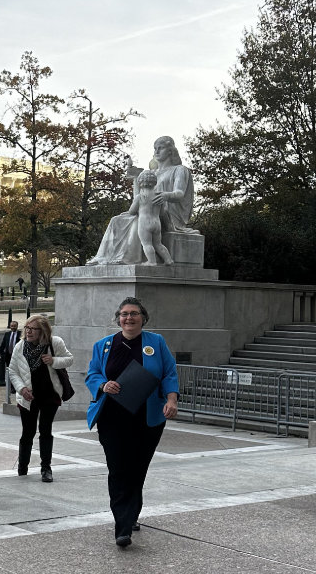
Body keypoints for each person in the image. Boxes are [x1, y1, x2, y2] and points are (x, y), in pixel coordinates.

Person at [85, 297, 179, 547]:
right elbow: (92, 374)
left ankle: (130, 513)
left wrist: (171, 399)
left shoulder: (156, 343)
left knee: (137, 469)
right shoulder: (103, 346)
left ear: (143, 318)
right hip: (112, 417)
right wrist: (104, 385)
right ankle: (123, 526)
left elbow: (169, 372)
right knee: (118, 469)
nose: (129, 318)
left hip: (147, 419)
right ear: (118, 318)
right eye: (124, 314)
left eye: (134, 313)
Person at [87, 136, 197, 265]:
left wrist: (165, 195)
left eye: (160, 148)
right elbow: (140, 198)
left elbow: (180, 194)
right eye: (155, 148)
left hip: (167, 213)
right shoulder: (153, 173)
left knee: (137, 220)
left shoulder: (179, 170)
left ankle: (126, 258)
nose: (156, 151)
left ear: (170, 151)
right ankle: (103, 257)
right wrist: (135, 179)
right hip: (151, 211)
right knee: (116, 220)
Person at [8, 315, 73, 483]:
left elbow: (69, 359)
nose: (29, 331)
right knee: (27, 432)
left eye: (33, 329)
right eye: (27, 328)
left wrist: (54, 360)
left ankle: (46, 468)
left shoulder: (55, 343)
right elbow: (13, 371)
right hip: (28, 396)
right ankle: (23, 467)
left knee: (45, 431)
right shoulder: (20, 346)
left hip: (49, 395)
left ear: (43, 331)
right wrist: (22, 389)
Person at [129, 170, 174, 266]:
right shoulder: (159, 196)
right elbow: (162, 212)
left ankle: (152, 261)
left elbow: (131, 211)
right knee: (158, 244)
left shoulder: (140, 197)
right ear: (154, 182)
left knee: (146, 244)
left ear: (140, 182)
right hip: (157, 223)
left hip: (144, 223)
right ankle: (168, 260)